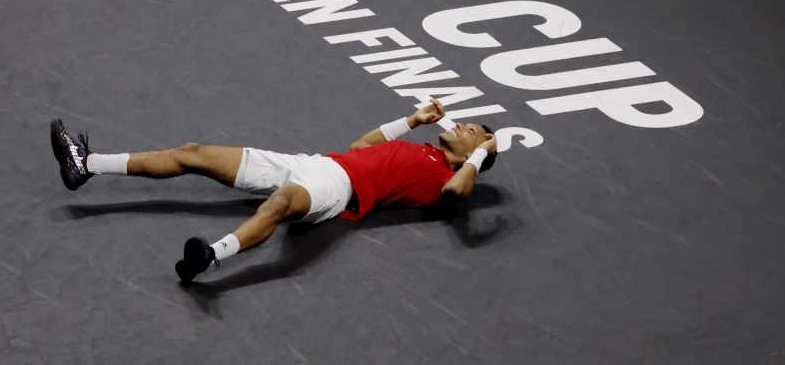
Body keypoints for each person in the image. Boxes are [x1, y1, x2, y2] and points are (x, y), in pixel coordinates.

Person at [50, 98, 497, 282]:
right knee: (193, 153)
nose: (461, 125)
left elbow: (456, 195)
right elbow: (360, 147)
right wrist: (410, 121)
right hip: (313, 163)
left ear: (475, 153)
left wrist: (483, 152)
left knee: (280, 203)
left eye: (471, 131)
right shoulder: (424, 151)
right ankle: (86, 165)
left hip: (335, 188)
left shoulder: (445, 179)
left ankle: (209, 257)